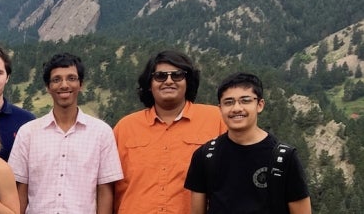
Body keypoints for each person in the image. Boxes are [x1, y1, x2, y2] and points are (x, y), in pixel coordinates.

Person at [112, 50, 227, 213]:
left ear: (188, 82)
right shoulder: (125, 127)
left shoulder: (216, 119)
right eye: (160, 76)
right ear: (149, 85)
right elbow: (107, 185)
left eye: (177, 75)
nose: (168, 81)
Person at [8, 53, 123, 214]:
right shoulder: (28, 133)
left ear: (81, 84)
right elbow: (21, 189)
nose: (64, 85)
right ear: (48, 87)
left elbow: (105, 190)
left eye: (71, 78)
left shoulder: (101, 133)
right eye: (56, 80)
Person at [185, 73, 312, 214]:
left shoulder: (284, 158)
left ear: (260, 105)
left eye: (245, 101)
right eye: (228, 102)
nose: (236, 108)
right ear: (220, 108)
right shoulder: (205, 155)